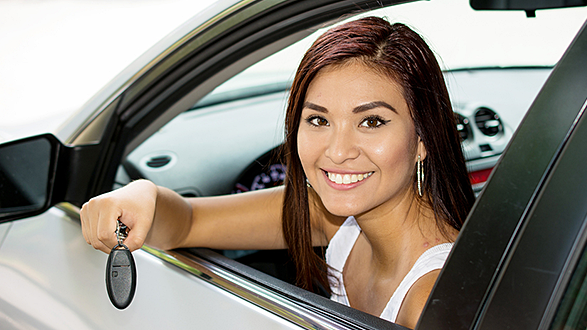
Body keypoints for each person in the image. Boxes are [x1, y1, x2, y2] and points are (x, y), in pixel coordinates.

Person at [81, 16, 475, 329]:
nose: (337, 151)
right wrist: (140, 195)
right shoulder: (335, 220)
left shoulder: (431, 300)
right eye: (318, 120)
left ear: (423, 138)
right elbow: (186, 222)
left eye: (371, 122)